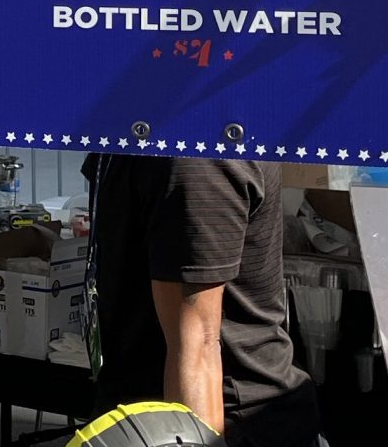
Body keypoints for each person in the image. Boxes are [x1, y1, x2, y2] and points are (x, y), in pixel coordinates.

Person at [79, 154, 320, 447]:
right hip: (139, 418)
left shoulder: (193, 158)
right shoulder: (123, 140)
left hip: (222, 425)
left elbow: (198, 350)